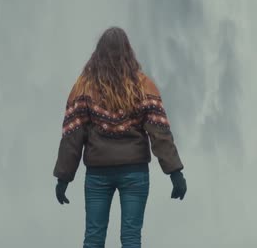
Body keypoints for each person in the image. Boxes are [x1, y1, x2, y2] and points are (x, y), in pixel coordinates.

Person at [53, 26, 187, 248]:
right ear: (128, 51)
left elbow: (72, 134)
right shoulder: (143, 86)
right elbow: (159, 132)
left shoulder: (84, 86)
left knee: (94, 237)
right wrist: (175, 173)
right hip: (135, 173)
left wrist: (63, 178)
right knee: (131, 238)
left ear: (98, 53)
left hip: (98, 174)